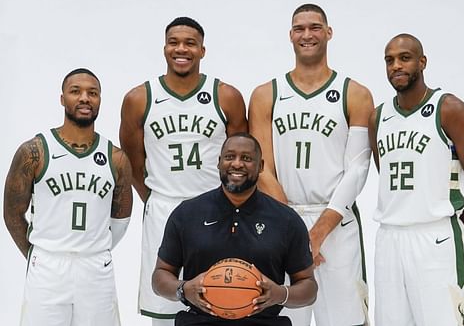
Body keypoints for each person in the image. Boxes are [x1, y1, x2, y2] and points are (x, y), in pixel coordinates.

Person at [248, 3, 373, 326]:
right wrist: (296, 232)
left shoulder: (355, 93)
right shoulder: (266, 94)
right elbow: (263, 169)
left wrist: (316, 234)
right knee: (285, 318)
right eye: (300, 28)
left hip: (337, 222)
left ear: (328, 33)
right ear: (290, 35)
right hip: (282, 220)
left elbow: (358, 169)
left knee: (345, 320)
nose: (307, 35)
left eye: (315, 27)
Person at [119, 16, 248, 325]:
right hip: (164, 209)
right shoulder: (139, 99)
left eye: (190, 43)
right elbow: (133, 163)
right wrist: (153, 196)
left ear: (202, 50)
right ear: (164, 48)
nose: (181, 49)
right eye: (174, 42)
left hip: (216, 210)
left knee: (223, 301)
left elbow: (241, 162)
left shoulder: (226, 97)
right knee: (165, 310)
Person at [368, 33, 464, 325]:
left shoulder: (449, 109)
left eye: (405, 58)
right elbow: (384, 171)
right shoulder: (378, 117)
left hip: (435, 236)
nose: (396, 66)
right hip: (389, 237)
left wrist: (458, 231)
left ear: (422, 62)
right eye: (389, 60)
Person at [3, 68, 133, 326]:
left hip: (96, 268)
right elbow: (12, 213)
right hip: (48, 266)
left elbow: (120, 219)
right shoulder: (34, 151)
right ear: (62, 98)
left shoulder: (116, 158)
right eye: (76, 92)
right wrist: (37, 253)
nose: (85, 98)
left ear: (100, 100)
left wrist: (92, 246)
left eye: (92, 93)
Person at [151, 133, 317, 326]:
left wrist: (280, 294)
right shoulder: (186, 213)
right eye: (230, 157)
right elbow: (160, 275)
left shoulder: (286, 219)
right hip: (199, 322)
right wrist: (183, 289)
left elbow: (309, 287)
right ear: (219, 162)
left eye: (246, 158)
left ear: (261, 166)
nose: (237, 164)